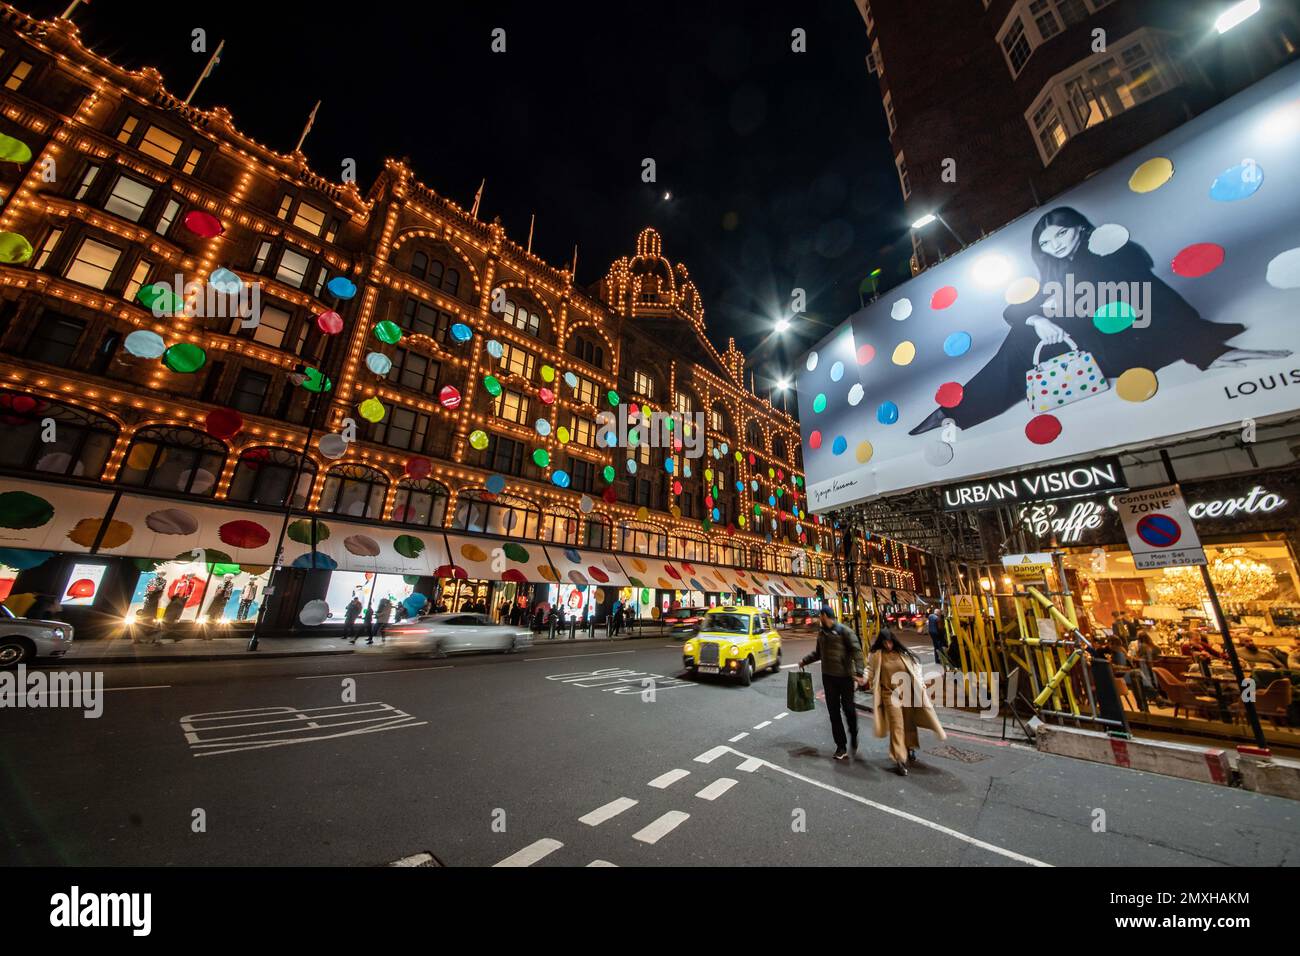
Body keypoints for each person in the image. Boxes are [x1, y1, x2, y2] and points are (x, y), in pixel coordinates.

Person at [908, 206, 1288, 436]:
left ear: (1080, 228)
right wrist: (1040, 317)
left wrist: (1205, 350)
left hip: (1129, 347)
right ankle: (960, 411)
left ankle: (959, 412)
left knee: (1020, 344)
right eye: (1046, 241)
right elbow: (1017, 310)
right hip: (1097, 346)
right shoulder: (1060, 270)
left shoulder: (1109, 257)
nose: (1054, 244)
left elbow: (1152, 300)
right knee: (1022, 336)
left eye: (1061, 234)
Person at [864, 628, 947, 775]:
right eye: (885, 643)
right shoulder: (876, 655)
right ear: (881, 643)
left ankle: (910, 747)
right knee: (897, 726)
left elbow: (916, 671)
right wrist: (862, 680)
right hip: (889, 694)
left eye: (890, 642)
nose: (888, 645)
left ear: (893, 641)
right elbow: (870, 670)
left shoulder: (904, 654)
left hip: (907, 693)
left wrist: (921, 685)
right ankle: (899, 759)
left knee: (909, 723)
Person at [798, 606, 865, 762]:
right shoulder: (821, 634)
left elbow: (857, 651)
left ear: (825, 616)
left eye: (820, 616)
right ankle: (841, 746)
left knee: (848, 709)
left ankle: (853, 733)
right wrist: (804, 661)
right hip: (828, 678)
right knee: (834, 713)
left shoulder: (844, 631)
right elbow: (818, 653)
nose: (818, 619)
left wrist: (860, 673)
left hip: (845, 677)